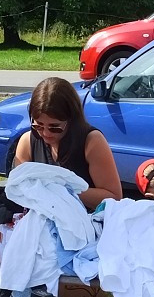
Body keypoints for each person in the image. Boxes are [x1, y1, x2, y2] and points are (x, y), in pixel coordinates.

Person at [13, 77, 121, 211]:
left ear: (71, 120)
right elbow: (18, 188)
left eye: (54, 127)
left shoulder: (91, 142)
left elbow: (114, 197)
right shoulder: (27, 141)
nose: (46, 133)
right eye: (38, 126)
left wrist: (64, 190)